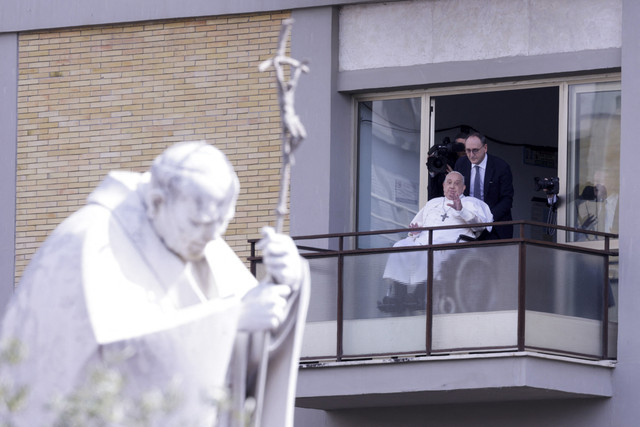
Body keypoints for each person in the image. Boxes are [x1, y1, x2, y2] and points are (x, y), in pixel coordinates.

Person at [0, 141, 309, 426]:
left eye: (222, 224)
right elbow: (107, 359)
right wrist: (233, 318)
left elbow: (253, 337)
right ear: (157, 201)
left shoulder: (197, 238)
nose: (212, 237)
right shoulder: (86, 241)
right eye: (201, 224)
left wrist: (285, 282)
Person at [380, 171, 493, 312]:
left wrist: (461, 210)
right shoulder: (433, 203)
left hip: (450, 247)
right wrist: (415, 232)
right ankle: (399, 294)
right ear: (443, 186)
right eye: (449, 183)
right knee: (400, 246)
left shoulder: (471, 203)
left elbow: (480, 227)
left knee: (428, 253)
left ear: (463, 188)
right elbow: (415, 226)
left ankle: (418, 295)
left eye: (457, 183)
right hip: (423, 241)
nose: (452, 186)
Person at [455, 132, 514, 239]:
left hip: (495, 225)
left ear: (485, 148)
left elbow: (507, 199)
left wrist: (486, 219)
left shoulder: (501, 167)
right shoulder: (461, 164)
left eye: (475, 150)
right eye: (468, 150)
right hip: (468, 225)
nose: (471, 155)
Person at [427, 132, 468, 200]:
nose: (463, 150)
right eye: (459, 147)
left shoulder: (472, 166)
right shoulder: (446, 163)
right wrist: (432, 172)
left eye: (465, 147)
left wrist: (454, 175)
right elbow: (432, 196)